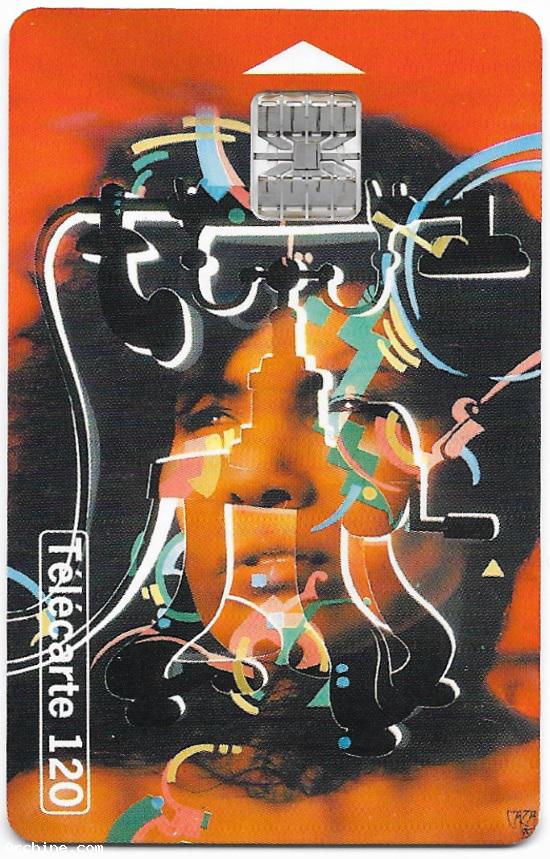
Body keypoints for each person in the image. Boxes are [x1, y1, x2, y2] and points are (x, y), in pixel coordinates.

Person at [7, 116, 540, 843]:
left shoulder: (526, 810)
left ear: (494, 460)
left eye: (354, 406)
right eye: (208, 415)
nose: (259, 477)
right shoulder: (52, 814)